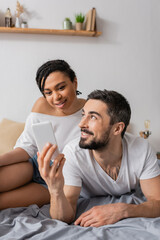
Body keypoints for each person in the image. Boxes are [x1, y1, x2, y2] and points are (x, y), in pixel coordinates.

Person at [38, 89, 160, 227]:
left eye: (93, 117)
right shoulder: (73, 153)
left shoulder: (142, 149)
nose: (81, 124)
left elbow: (157, 203)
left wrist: (123, 210)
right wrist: (55, 190)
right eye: (83, 115)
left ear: (117, 129)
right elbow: (64, 217)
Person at [0, 60, 85, 210]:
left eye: (61, 88)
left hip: (59, 181)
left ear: (75, 83)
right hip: (34, 165)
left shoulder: (91, 110)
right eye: (48, 92)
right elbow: (26, 147)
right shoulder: (42, 105)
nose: (56, 97)